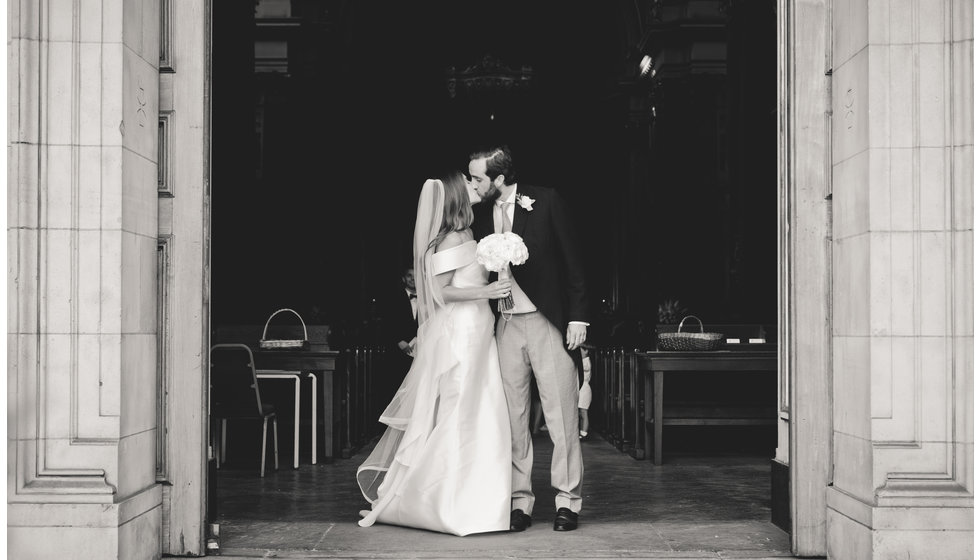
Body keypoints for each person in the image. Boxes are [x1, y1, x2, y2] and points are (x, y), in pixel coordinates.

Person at [356, 170, 515, 536]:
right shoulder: (451, 240)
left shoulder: (466, 234)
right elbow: (439, 292)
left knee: (481, 407)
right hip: (462, 331)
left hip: (478, 330)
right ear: (458, 195)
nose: (476, 187)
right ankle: (447, 502)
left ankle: (476, 500)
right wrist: (486, 294)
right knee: (460, 410)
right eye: (469, 183)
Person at [469, 145, 590, 532]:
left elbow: (574, 259)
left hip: (545, 322)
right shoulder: (478, 214)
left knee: (561, 416)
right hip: (505, 325)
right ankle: (519, 502)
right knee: (512, 419)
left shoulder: (546, 200)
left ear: (499, 179)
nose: (473, 185)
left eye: (478, 178)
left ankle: (567, 501)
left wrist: (578, 318)